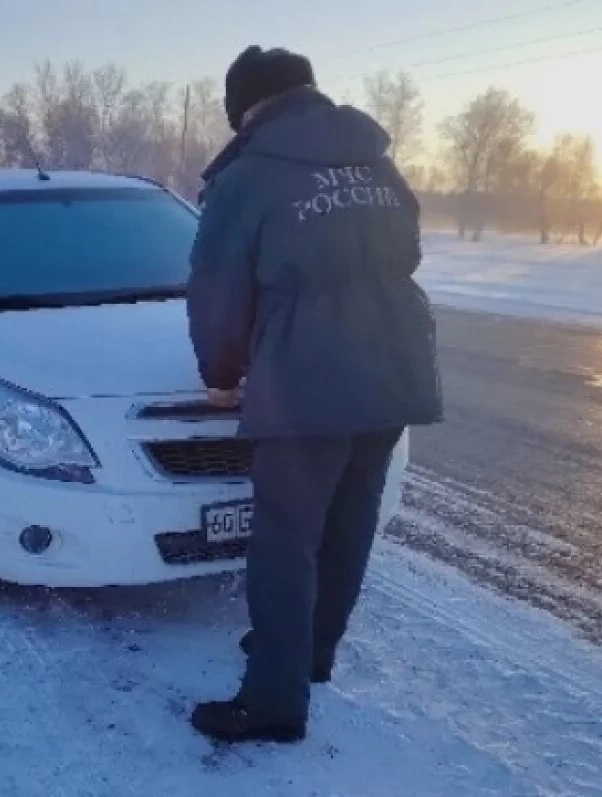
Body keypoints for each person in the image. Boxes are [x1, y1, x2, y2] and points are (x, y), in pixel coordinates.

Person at [186, 46, 443, 743]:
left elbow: (217, 291)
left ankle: (274, 700)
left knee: (285, 541)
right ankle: (310, 653)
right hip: (394, 367)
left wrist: (222, 374)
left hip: (305, 381)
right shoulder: (376, 162)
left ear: (244, 108)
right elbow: (408, 253)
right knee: (348, 524)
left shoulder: (249, 176)